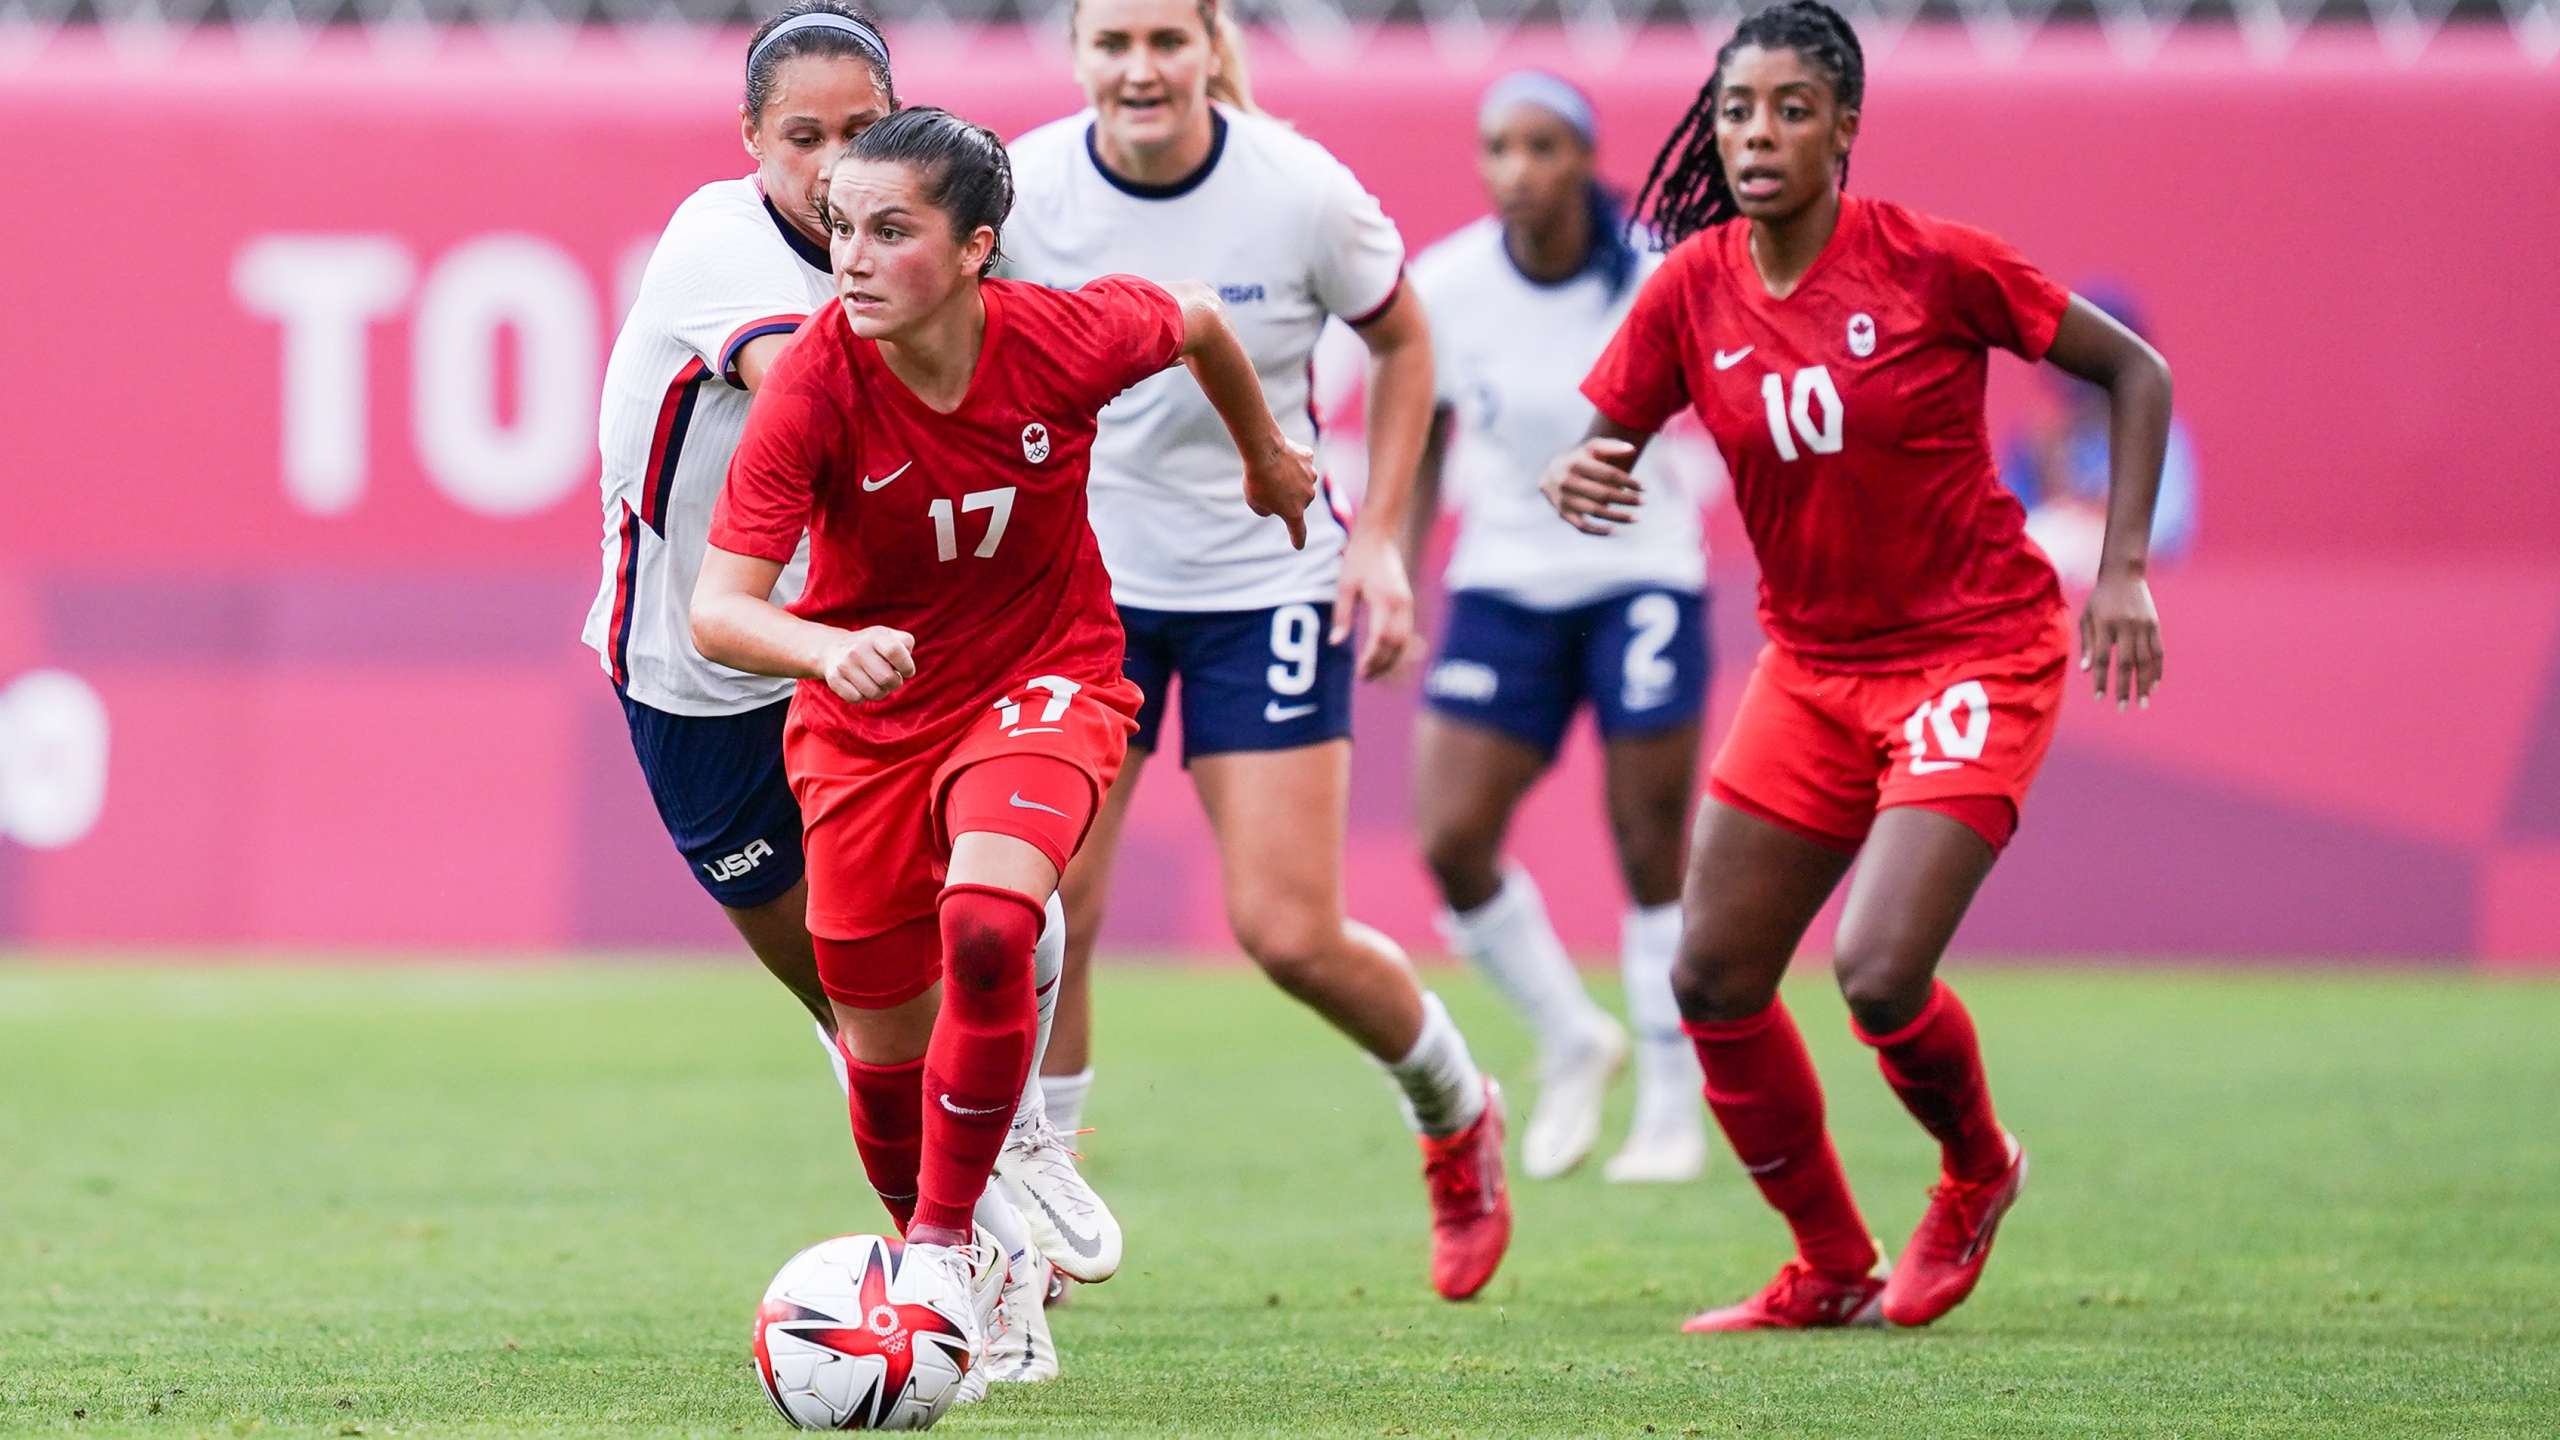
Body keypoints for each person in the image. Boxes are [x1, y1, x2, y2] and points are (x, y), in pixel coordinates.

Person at [1544, 0, 2170, 1331]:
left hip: (1975, 649)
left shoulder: (1935, 263)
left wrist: (2119, 571)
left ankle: (1978, 1170)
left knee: (1878, 971)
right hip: (1815, 668)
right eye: (1736, 110)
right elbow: (1600, 434)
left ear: (1844, 129)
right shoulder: (1693, 285)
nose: (1757, 133)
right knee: (1711, 978)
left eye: (1789, 109)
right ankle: (1830, 1265)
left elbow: (2136, 374)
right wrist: (1580, 469)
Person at [690, 105, 1318, 1369]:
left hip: (1045, 676)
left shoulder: (1063, 337)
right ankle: (987, 1268)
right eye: (838, 230)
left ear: (979, 248)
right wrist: (825, 649)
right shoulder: (814, 382)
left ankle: (935, 1251)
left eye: (889, 231)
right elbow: (718, 610)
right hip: (867, 722)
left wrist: (1265, 460)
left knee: (990, 920)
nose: (851, 259)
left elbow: (1193, 316)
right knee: (877, 1047)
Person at [576, 4, 1099, 1383]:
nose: (831, 165)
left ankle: (979, 1256)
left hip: (862, 657)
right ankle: (980, 1242)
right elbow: (822, 379)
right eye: (801, 137)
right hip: (698, 674)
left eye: (862, 132)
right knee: (846, 1004)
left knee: (954, 945)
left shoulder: (931, 241)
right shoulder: (718, 245)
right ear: (751, 142)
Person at [1000, 0, 1512, 1301]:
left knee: (1286, 932)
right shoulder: (1025, 189)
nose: (1140, 68)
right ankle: (1049, 1202)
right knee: (1055, 909)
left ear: (1209, 46)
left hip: (1258, 580)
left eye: (1165, 40)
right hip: (1085, 592)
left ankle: (1456, 1111)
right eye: (1112, 43)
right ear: (1077, 59)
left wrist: (1381, 537)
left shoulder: (1300, 192)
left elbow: (1403, 339)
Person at [1404, 70, 1721, 1187]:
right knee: (1450, 837)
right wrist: (1396, 575)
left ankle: (1674, 1102)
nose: (1516, 170)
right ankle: (1568, 1034)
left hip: (1642, 576)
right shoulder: (1444, 283)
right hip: (1504, 581)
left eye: (1542, 146)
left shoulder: (1656, 271)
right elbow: (1420, 435)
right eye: (1497, 147)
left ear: (1584, 158)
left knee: (1648, 848)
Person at [2001, 284, 2200, 584]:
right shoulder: (2041, 438)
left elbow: (2164, 537)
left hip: (2131, 595)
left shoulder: (2159, 437)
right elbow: (2008, 531)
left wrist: (2094, 516)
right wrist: (2050, 468)